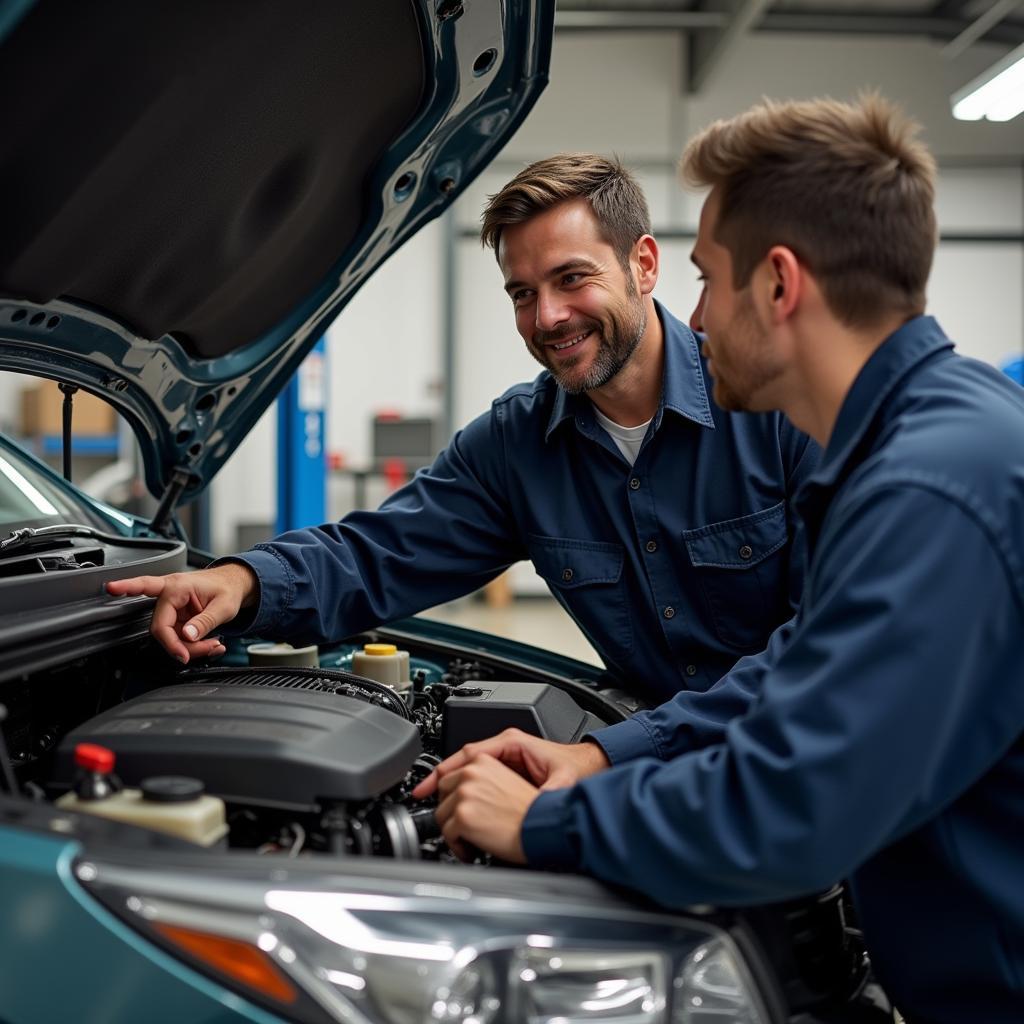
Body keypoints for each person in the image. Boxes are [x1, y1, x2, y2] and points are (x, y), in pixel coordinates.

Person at [416, 96, 1024, 1022]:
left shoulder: (929, 491)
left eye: (705, 278)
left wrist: (544, 823)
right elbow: (802, 666)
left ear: (778, 286)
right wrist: (607, 756)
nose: (692, 315)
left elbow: (793, 809)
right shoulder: (928, 446)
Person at [107, 155, 817, 708]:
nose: (547, 318)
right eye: (523, 293)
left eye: (573, 278)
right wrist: (243, 581)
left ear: (644, 264)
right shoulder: (517, 445)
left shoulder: (774, 409)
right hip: (657, 765)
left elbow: (827, 652)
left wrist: (617, 755)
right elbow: (380, 554)